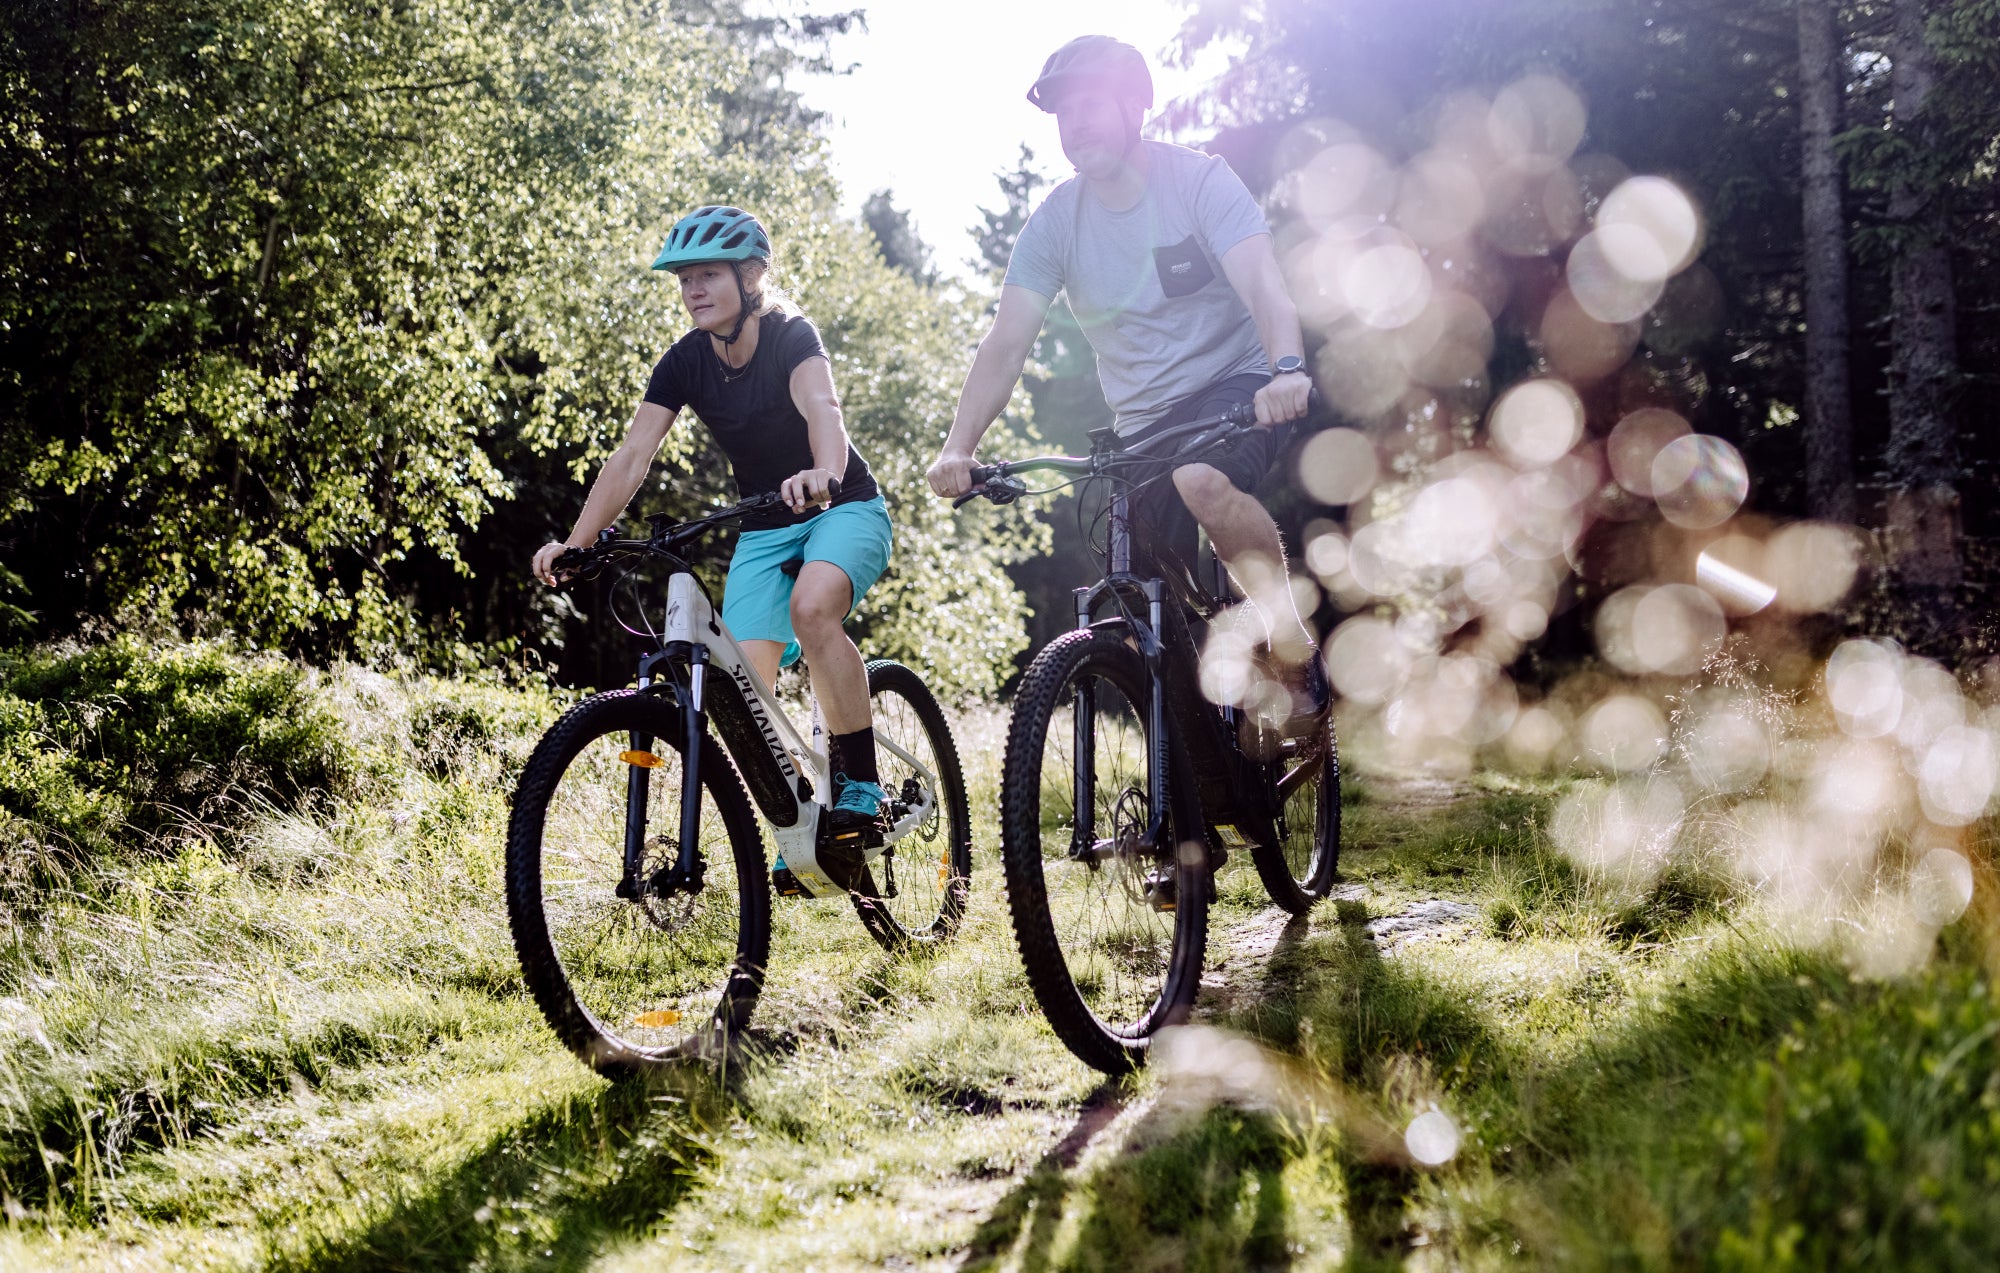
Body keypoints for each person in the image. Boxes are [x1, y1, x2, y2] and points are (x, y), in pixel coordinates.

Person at [926, 35, 1327, 730]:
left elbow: (1264, 283)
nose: (1076, 121)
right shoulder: (1054, 222)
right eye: (1063, 112)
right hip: (1143, 425)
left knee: (1201, 479)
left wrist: (1286, 367)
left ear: (1134, 105)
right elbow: (1006, 342)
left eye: (1090, 103)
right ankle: (1189, 804)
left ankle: (1287, 635)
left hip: (1236, 384)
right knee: (1142, 599)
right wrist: (958, 446)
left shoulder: (1198, 181)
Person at [533, 205, 894, 835]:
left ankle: (860, 781)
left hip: (842, 507)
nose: (692, 290)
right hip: (763, 525)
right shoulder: (684, 362)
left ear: (749, 276)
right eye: (683, 280)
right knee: (747, 696)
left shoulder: (791, 333)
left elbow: (822, 407)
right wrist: (578, 542)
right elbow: (632, 456)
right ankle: (803, 824)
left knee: (812, 612)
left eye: (707, 275)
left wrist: (824, 473)